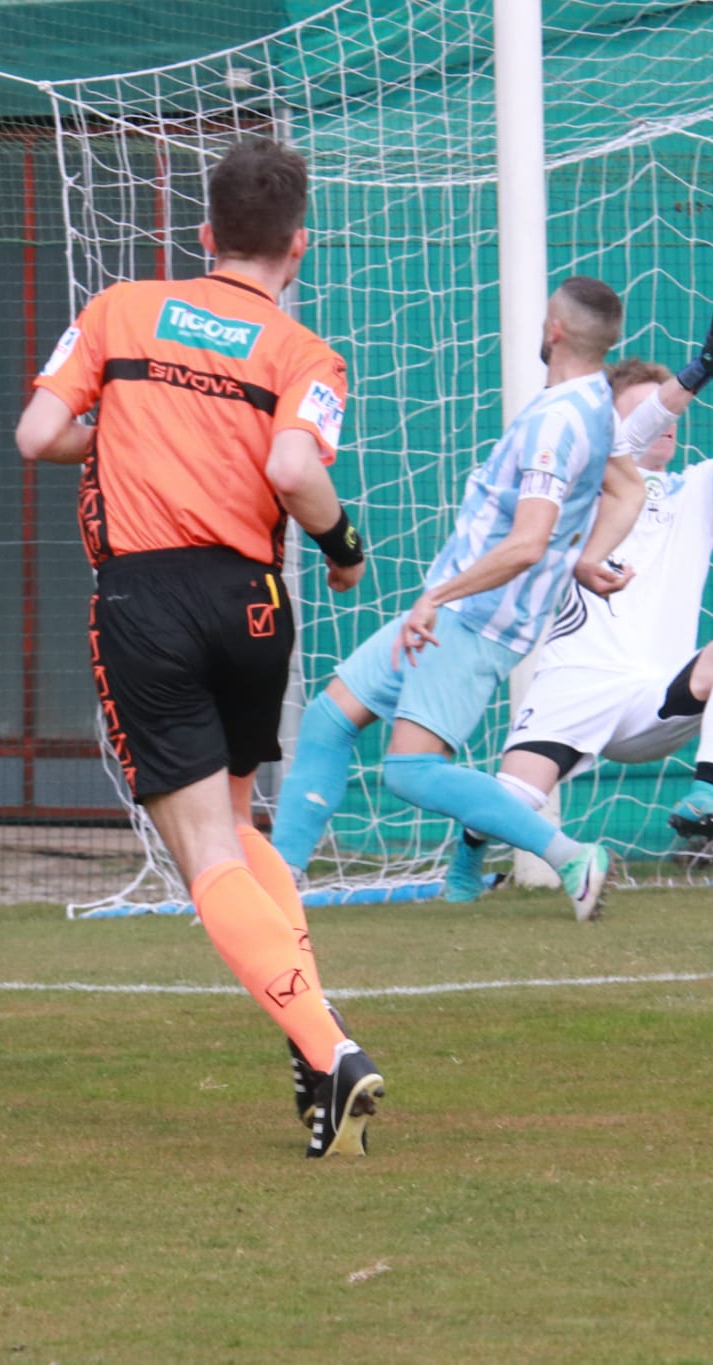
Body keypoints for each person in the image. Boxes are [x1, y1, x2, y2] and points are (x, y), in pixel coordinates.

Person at [15, 136, 383, 1158]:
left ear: (204, 231)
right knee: (232, 820)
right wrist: (343, 550)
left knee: (200, 856)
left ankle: (331, 1045)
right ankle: (315, 1052)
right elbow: (293, 466)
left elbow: (37, 435)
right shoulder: (305, 354)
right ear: (297, 248)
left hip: (148, 596)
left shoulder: (118, 310)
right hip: (254, 604)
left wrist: (124, 425)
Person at [444, 324, 713, 899]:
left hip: (657, 700)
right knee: (508, 803)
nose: (667, 417)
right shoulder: (588, 485)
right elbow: (628, 437)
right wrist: (696, 372)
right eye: (648, 407)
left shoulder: (698, 492)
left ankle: (706, 792)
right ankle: (464, 864)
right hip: (575, 687)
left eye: (669, 405)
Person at [267, 277, 658, 923]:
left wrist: (439, 595)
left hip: (474, 614)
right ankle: (278, 886)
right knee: (330, 719)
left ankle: (570, 857)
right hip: (463, 606)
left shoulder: (560, 421)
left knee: (411, 773)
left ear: (554, 329)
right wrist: (587, 558)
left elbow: (529, 541)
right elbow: (629, 493)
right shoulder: (592, 401)